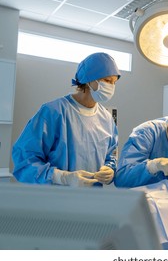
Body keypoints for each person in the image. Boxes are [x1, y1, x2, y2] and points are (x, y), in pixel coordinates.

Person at [12, 52, 121, 187]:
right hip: (56, 200)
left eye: (114, 82)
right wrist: (62, 177)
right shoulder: (53, 112)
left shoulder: (107, 120)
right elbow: (24, 160)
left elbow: (111, 155)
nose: (111, 87)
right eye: (107, 81)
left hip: (92, 200)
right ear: (89, 79)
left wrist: (110, 169)